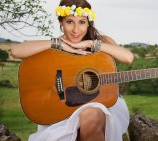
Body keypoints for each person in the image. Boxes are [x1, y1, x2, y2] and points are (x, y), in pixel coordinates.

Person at [11, 0, 134, 141]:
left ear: (89, 23)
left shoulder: (101, 42)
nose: (76, 30)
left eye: (82, 22)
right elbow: (15, 51)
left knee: (90, 116)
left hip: (104, 103)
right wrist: (60, 45)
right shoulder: (55, 46)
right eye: (70, 22)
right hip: (63, 109)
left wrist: (90, 43)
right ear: (61, 23)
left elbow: (128, 57)